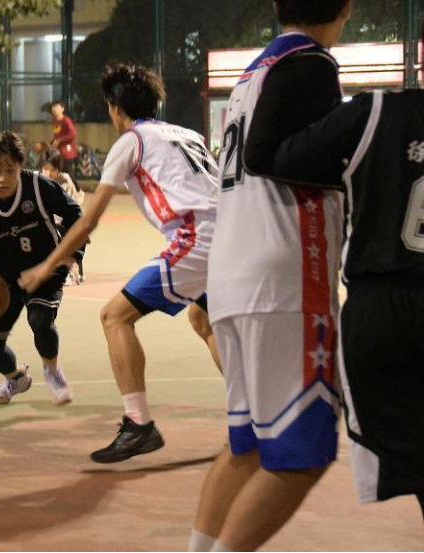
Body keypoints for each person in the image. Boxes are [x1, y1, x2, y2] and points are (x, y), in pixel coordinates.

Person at [190, 2, 353, 551]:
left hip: (234, 273)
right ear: (346, 7)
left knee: (249, 449)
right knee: (303, 455)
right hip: (286, 278)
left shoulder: (253, 72)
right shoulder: (312, 63)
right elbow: (270, 156)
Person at [20, 64, 222, 465]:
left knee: (114, 317)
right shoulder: (187, 134)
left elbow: (88, 220)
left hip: (196, 239)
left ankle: (138, 424)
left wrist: (47, 266)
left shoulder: (132, 141)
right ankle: (253, 413)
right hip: (232, 238)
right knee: (204, 319)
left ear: (115, 108)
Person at [269, 87, 424, 519]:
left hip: (382, 305)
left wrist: (360, 173)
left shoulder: (376, 110)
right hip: (387, 303)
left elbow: (284, 159)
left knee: (411, 459)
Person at [0, 131, 84, 406]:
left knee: (40, 320)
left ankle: (52, 372)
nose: (3, 178)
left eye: (10, 170)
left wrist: (73, 254)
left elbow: (75, 214)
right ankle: (16, 379)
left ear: (21, 166)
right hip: (2, 280)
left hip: (45, 270)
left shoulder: (39, 187)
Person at [40, 148, 85, 285]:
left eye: (52, 170)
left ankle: (69, 271)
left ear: (58, 170)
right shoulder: (36, 182)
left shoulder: (66, 183)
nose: (48, 174)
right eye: (45, 169)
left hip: (62, 225)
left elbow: (73, 213)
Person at [50, 101, 78, 184]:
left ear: (62, 109)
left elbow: (72, 134)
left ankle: (77, 189)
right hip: (59, 152)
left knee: (68, 173)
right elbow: (57, 136)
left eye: (57, 107)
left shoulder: (66, 120)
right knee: (61, 173)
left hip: (67, 152)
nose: (55, 109)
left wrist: (59, 140)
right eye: (53, 107)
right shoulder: (56, 122)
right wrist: (52, 142)